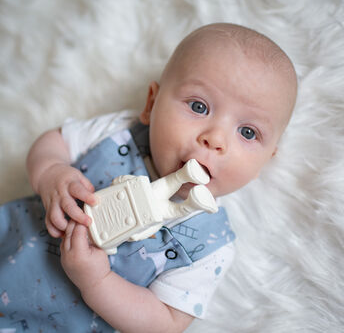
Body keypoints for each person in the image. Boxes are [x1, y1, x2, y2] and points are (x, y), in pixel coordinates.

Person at [0, 23, 297, 333]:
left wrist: (97, 282)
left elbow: (164, 323)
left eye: (247, 132)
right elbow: (54, 142)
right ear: (151, 104)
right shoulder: (118, 134)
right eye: (199, 106)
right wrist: (51, 172)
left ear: (265, 160)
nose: (215, 138)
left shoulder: (211, 246)